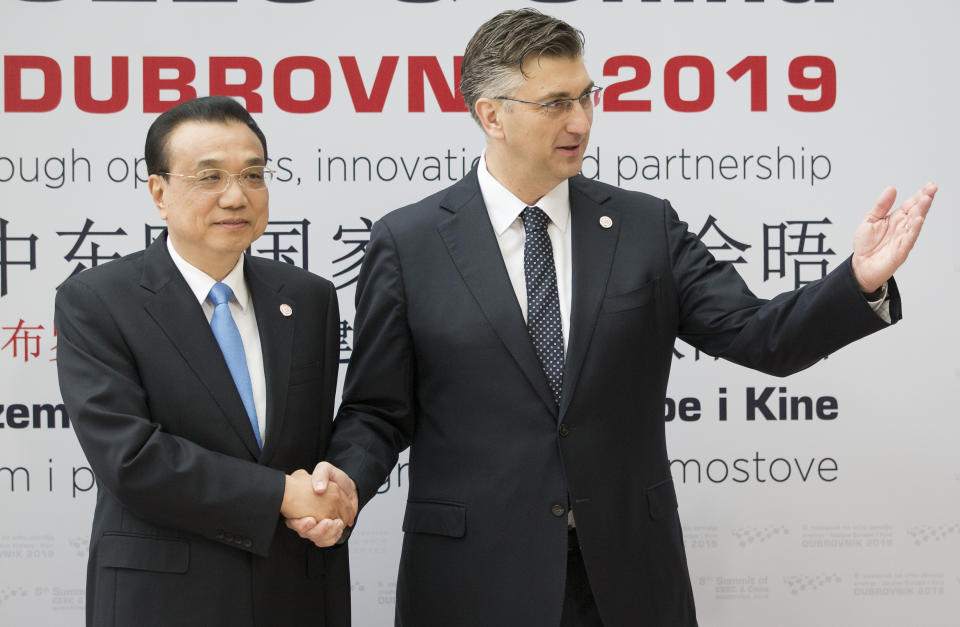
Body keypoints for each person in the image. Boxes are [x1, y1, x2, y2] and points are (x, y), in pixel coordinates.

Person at [290, 9, 936, 627]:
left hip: (627, 575)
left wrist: (858, 281)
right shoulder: (409, 242)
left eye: (586, 96)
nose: (580, 120)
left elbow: (762, 337)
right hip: (472, 575)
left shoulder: (644, 226)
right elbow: (378, 407)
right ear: (491, 115)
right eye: (554, 103)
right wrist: (344, 480)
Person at [55, 96, 355, 627]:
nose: (236, 196)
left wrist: (332, 497)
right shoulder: (99, 300)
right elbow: (131, 459)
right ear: (159, 193)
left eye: (253, 175)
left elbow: (319, 443)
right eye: (209, 177)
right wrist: (281, 495)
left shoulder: (309, 298)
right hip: (163, 598)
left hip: (298, 590)